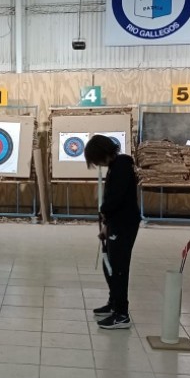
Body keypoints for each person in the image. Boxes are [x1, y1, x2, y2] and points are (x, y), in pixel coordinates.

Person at [84, 135, 141, 329]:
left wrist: (104, 210)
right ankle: (113, 303)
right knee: (109, 265)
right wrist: (106, 225)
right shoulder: (115, 167)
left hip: (124, 225)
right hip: (116, 224)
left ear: (103, 154)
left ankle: (121, 314)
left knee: (118, 268)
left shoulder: (122, 167)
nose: (96, 164)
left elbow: (115, 200)